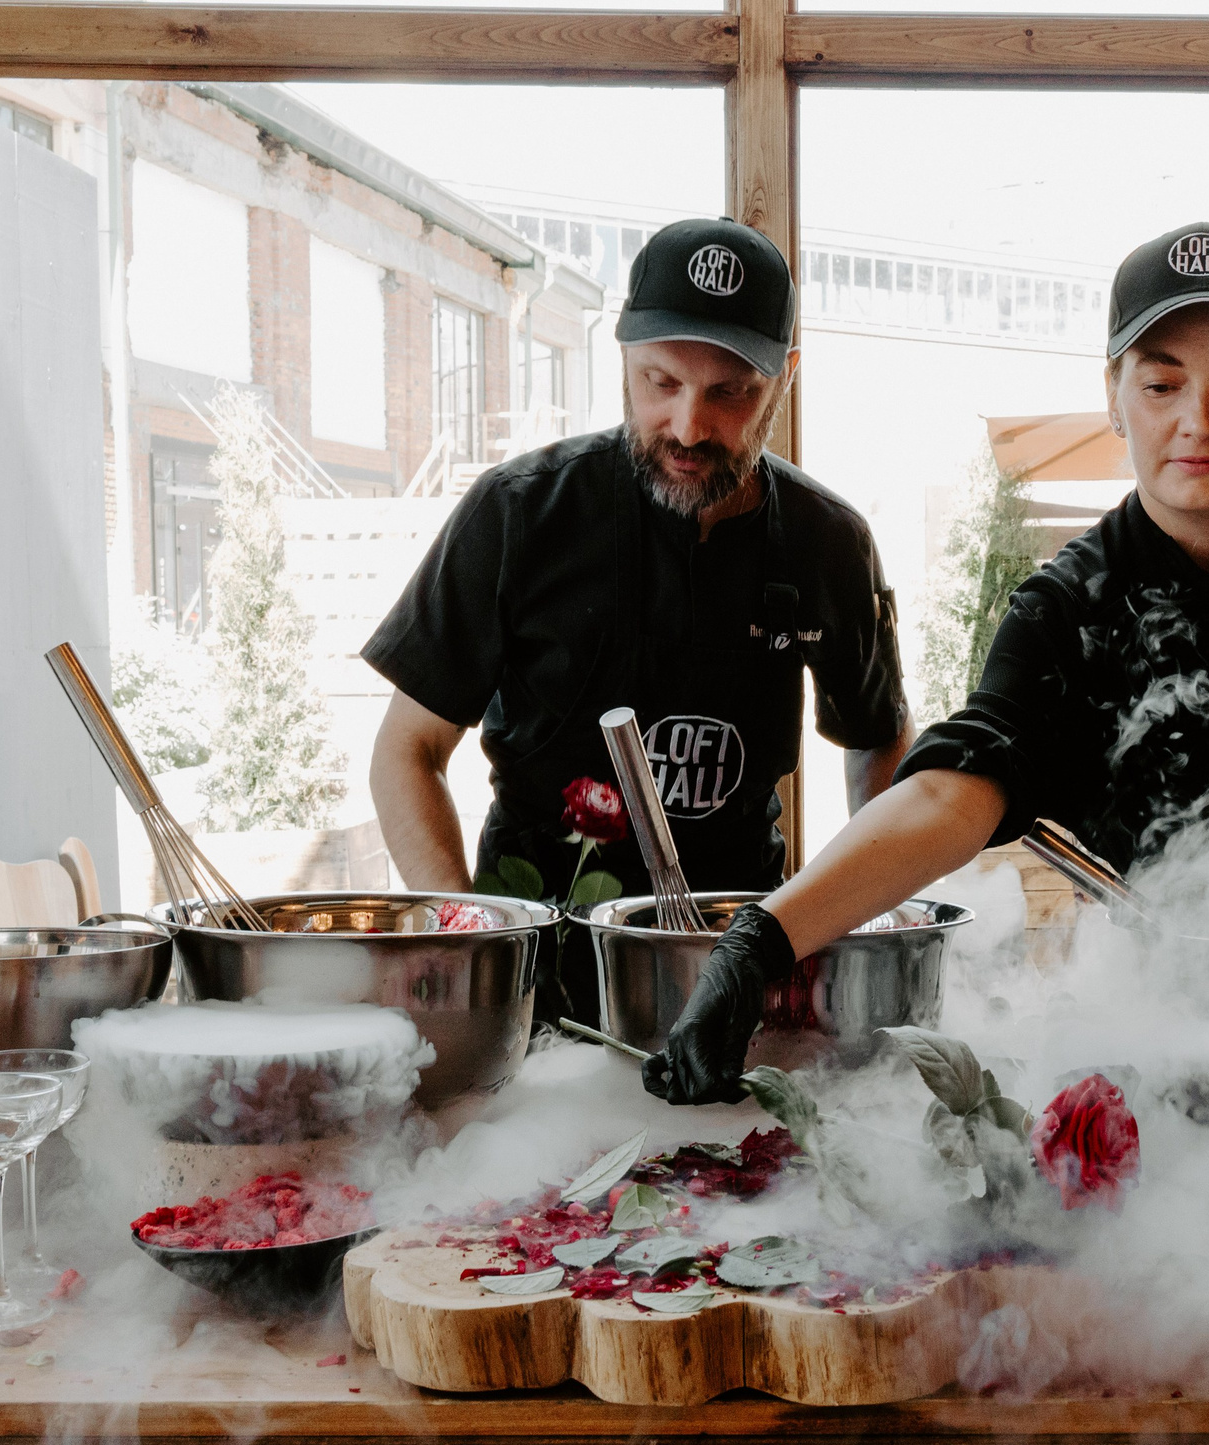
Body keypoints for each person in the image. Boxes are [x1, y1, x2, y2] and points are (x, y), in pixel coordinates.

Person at [643, 221, 1209, 1104]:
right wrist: (760, 942)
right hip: (1193, 1025)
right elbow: (951, 793)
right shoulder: (1070, 612)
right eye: (1161, 384)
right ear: (1114, 393)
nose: (1198, 422)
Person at [362, 217, 914, 1022]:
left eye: (731, 393)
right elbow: (405, 753)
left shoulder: (828, 541)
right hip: (537, 968)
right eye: (661, 382)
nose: (690, 427)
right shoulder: (518, 515)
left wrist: (852, 919)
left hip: (735, 969)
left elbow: (877, 742)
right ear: (621, 354)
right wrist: (471, 945)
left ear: (784, 378)